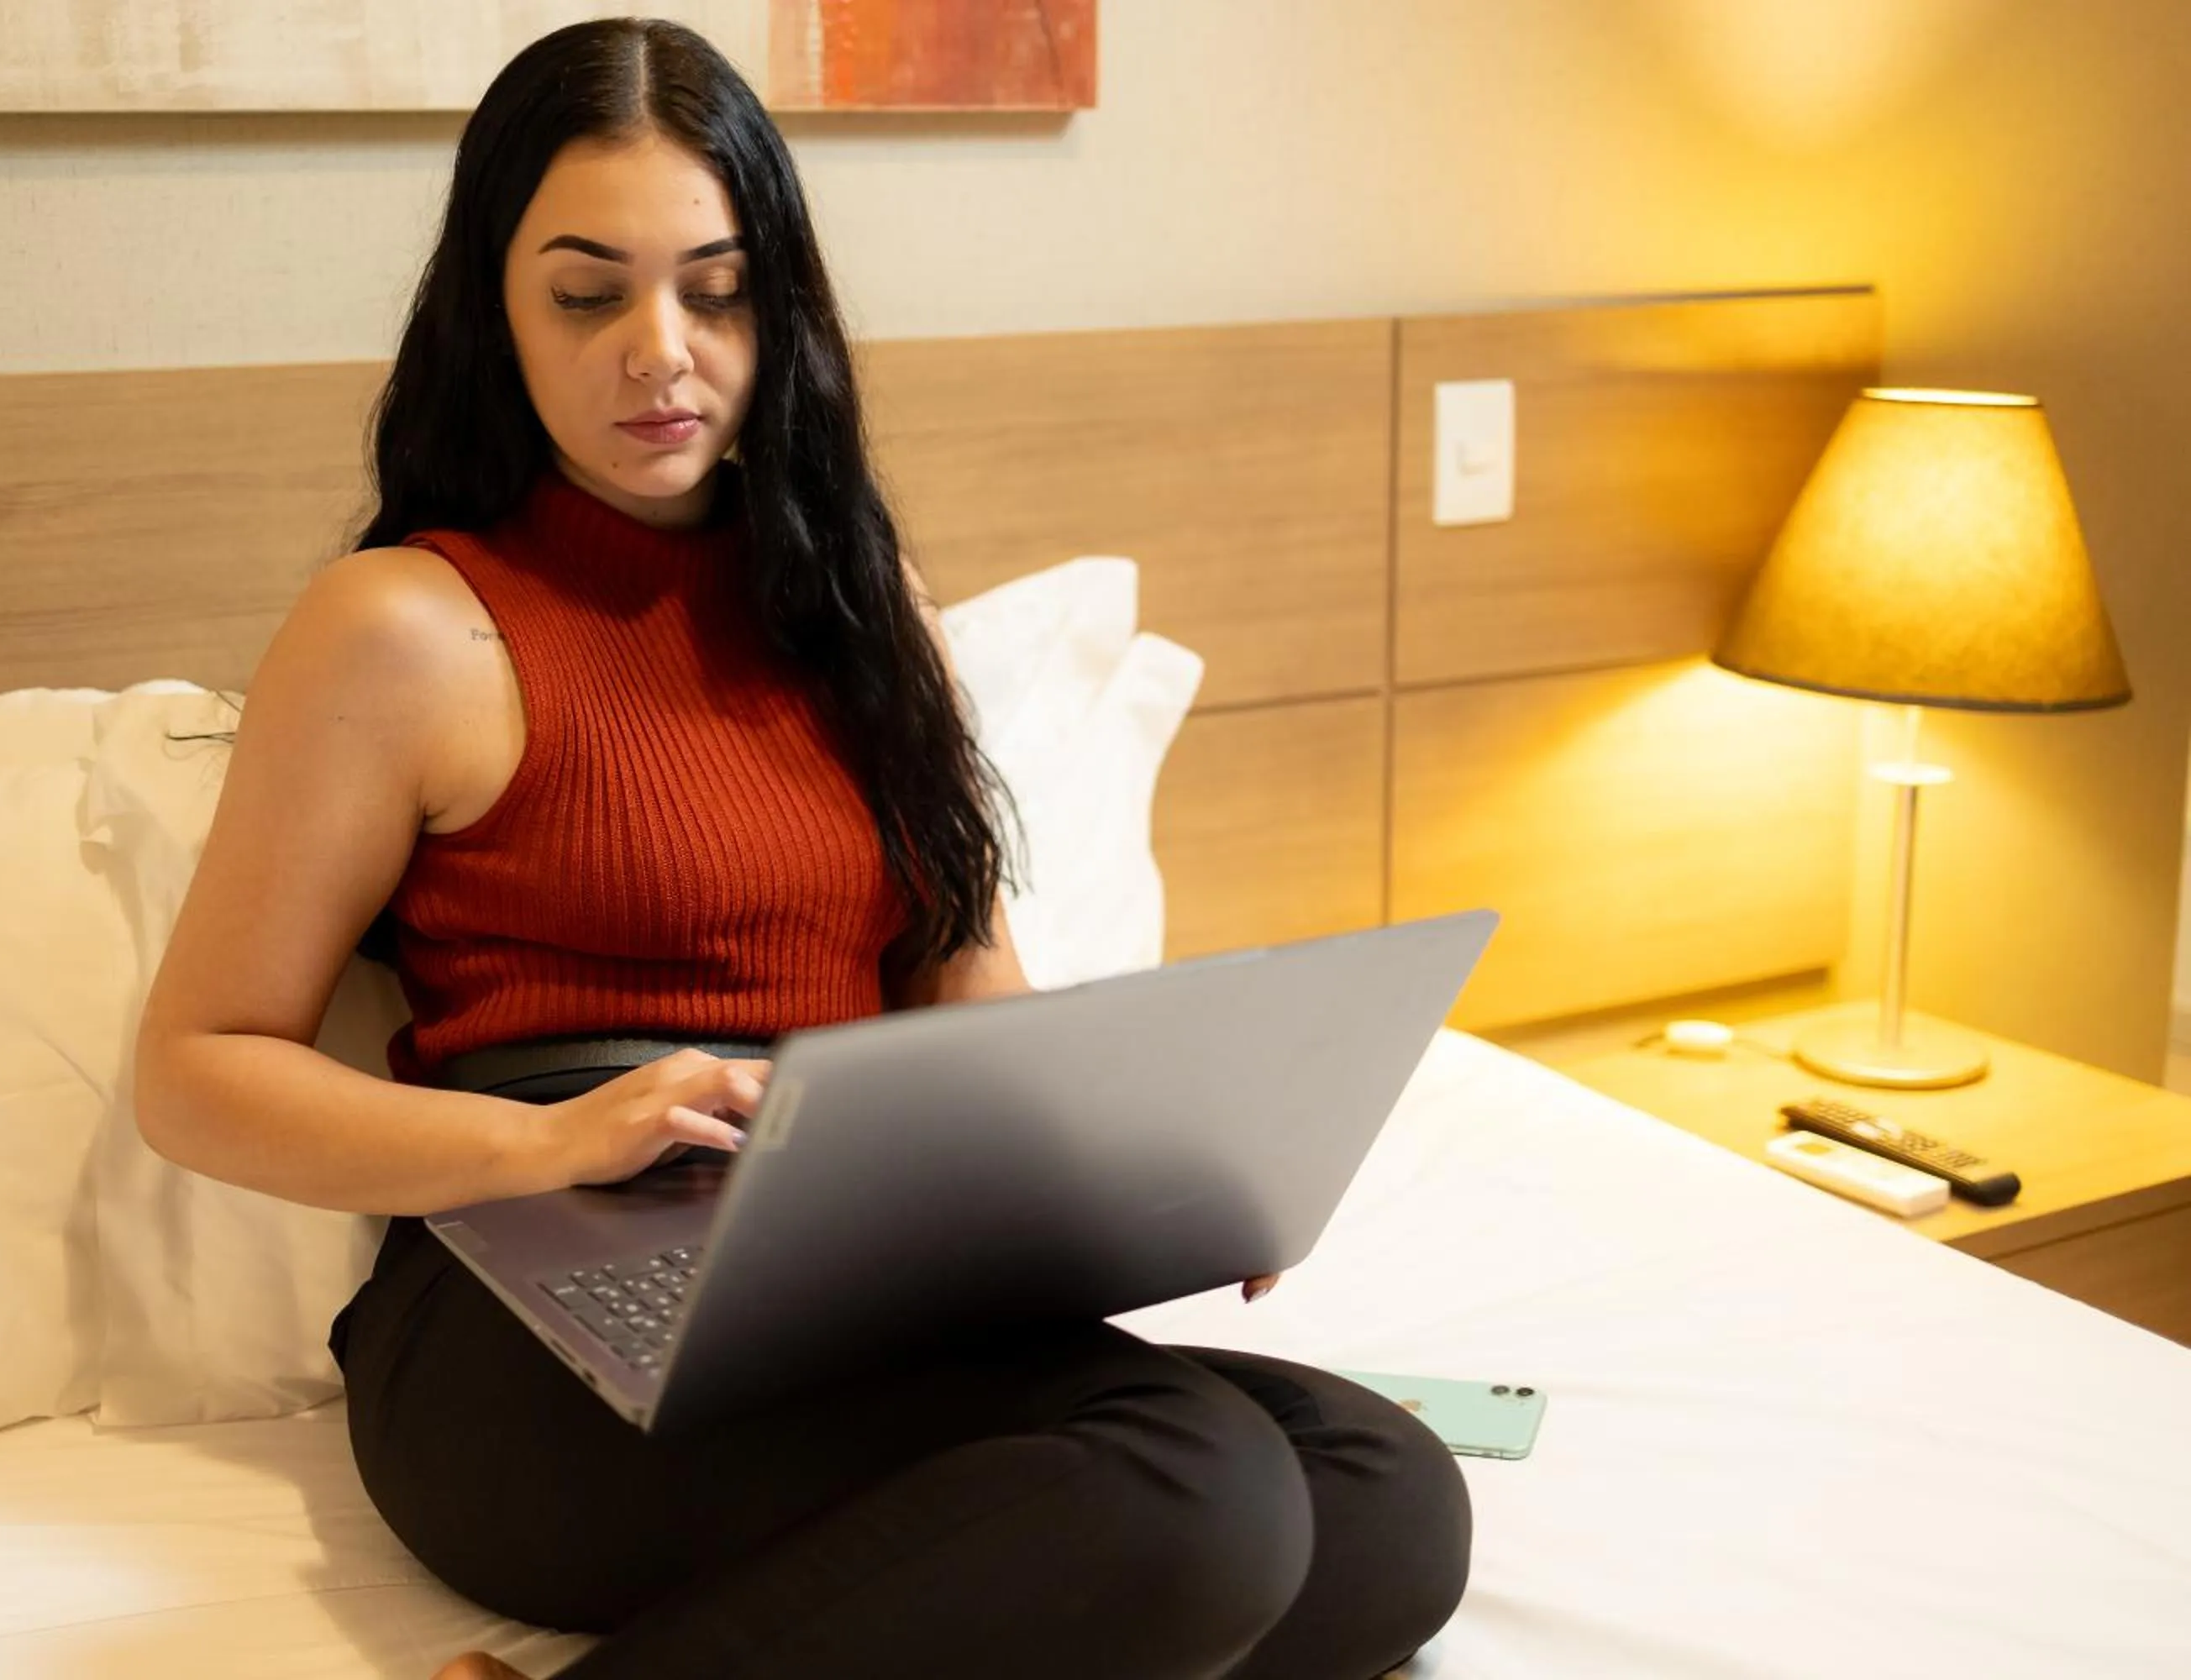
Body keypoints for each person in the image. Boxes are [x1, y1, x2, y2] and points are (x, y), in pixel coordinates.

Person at [132, 18, 1472, 1679]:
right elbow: (197, 1067)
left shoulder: (857, 599)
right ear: (492, 302)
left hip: (849, 1266)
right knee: (1201, 1505)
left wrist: (1158, 1170)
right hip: (531, 1323)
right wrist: (546, 1148)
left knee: (1385, 1498)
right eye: (587, 290)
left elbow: (963, 971)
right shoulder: (406, 625)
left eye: (716, 287)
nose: (662, 350)